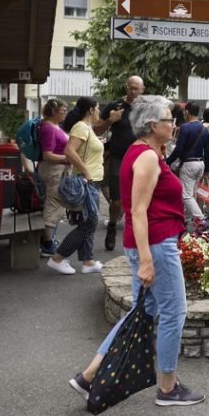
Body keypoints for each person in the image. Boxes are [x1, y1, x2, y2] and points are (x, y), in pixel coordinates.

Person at [68, 95, 204, 406]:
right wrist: (145, 260)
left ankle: (88, 376)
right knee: (174, 313)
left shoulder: (146, 151)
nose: (174, 125)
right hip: (155, 244)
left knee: (142, 311)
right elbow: (138, 211)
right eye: (170, 120)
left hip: (151, 242)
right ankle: (167, 387)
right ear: (153, 125)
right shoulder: (145, 157)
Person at [46, 97, 105, 275]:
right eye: (98, 108)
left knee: (89, 220)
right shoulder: (81, 127)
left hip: (92, 181)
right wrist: (86, 171)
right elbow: (69, 151)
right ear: (91, 110)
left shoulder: (87, 128)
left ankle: (88, 261)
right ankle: (57, 258)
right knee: (90, 222)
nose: (99, 111)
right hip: (86, 181)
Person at [98, 75, 144, 251]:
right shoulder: (114, 106)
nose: (133, 91)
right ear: (126, 88)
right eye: (130, 88)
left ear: (142, 89)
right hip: (118, 158)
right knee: (116, 202)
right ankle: (112, 227)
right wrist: (111, 120)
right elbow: (97, 129)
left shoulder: (147, 108)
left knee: (139, 201)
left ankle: (137, 237)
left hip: (140, 159)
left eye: (136, 88)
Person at [165, 101, 209, 225]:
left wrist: (168, 161)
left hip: (189, 164)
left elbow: (179, 149)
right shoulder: (204, 129)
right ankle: (185, 219)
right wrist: (207, 170)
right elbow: (207, 151)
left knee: (186, 195)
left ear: (187, 112)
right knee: (191, 193)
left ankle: (200, 220)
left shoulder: (185, 128)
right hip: (200, 164)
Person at [37, 98, 69, 257]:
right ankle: (47, 244)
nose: (65, 113)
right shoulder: (48, 128)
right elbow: (47, 155)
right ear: (54, 112)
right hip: (53, 170)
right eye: (63, 111)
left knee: (54, 203)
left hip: (57, 169)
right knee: (53, 203)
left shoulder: (54, 126)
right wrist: (67, 159)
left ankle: (49, 239)